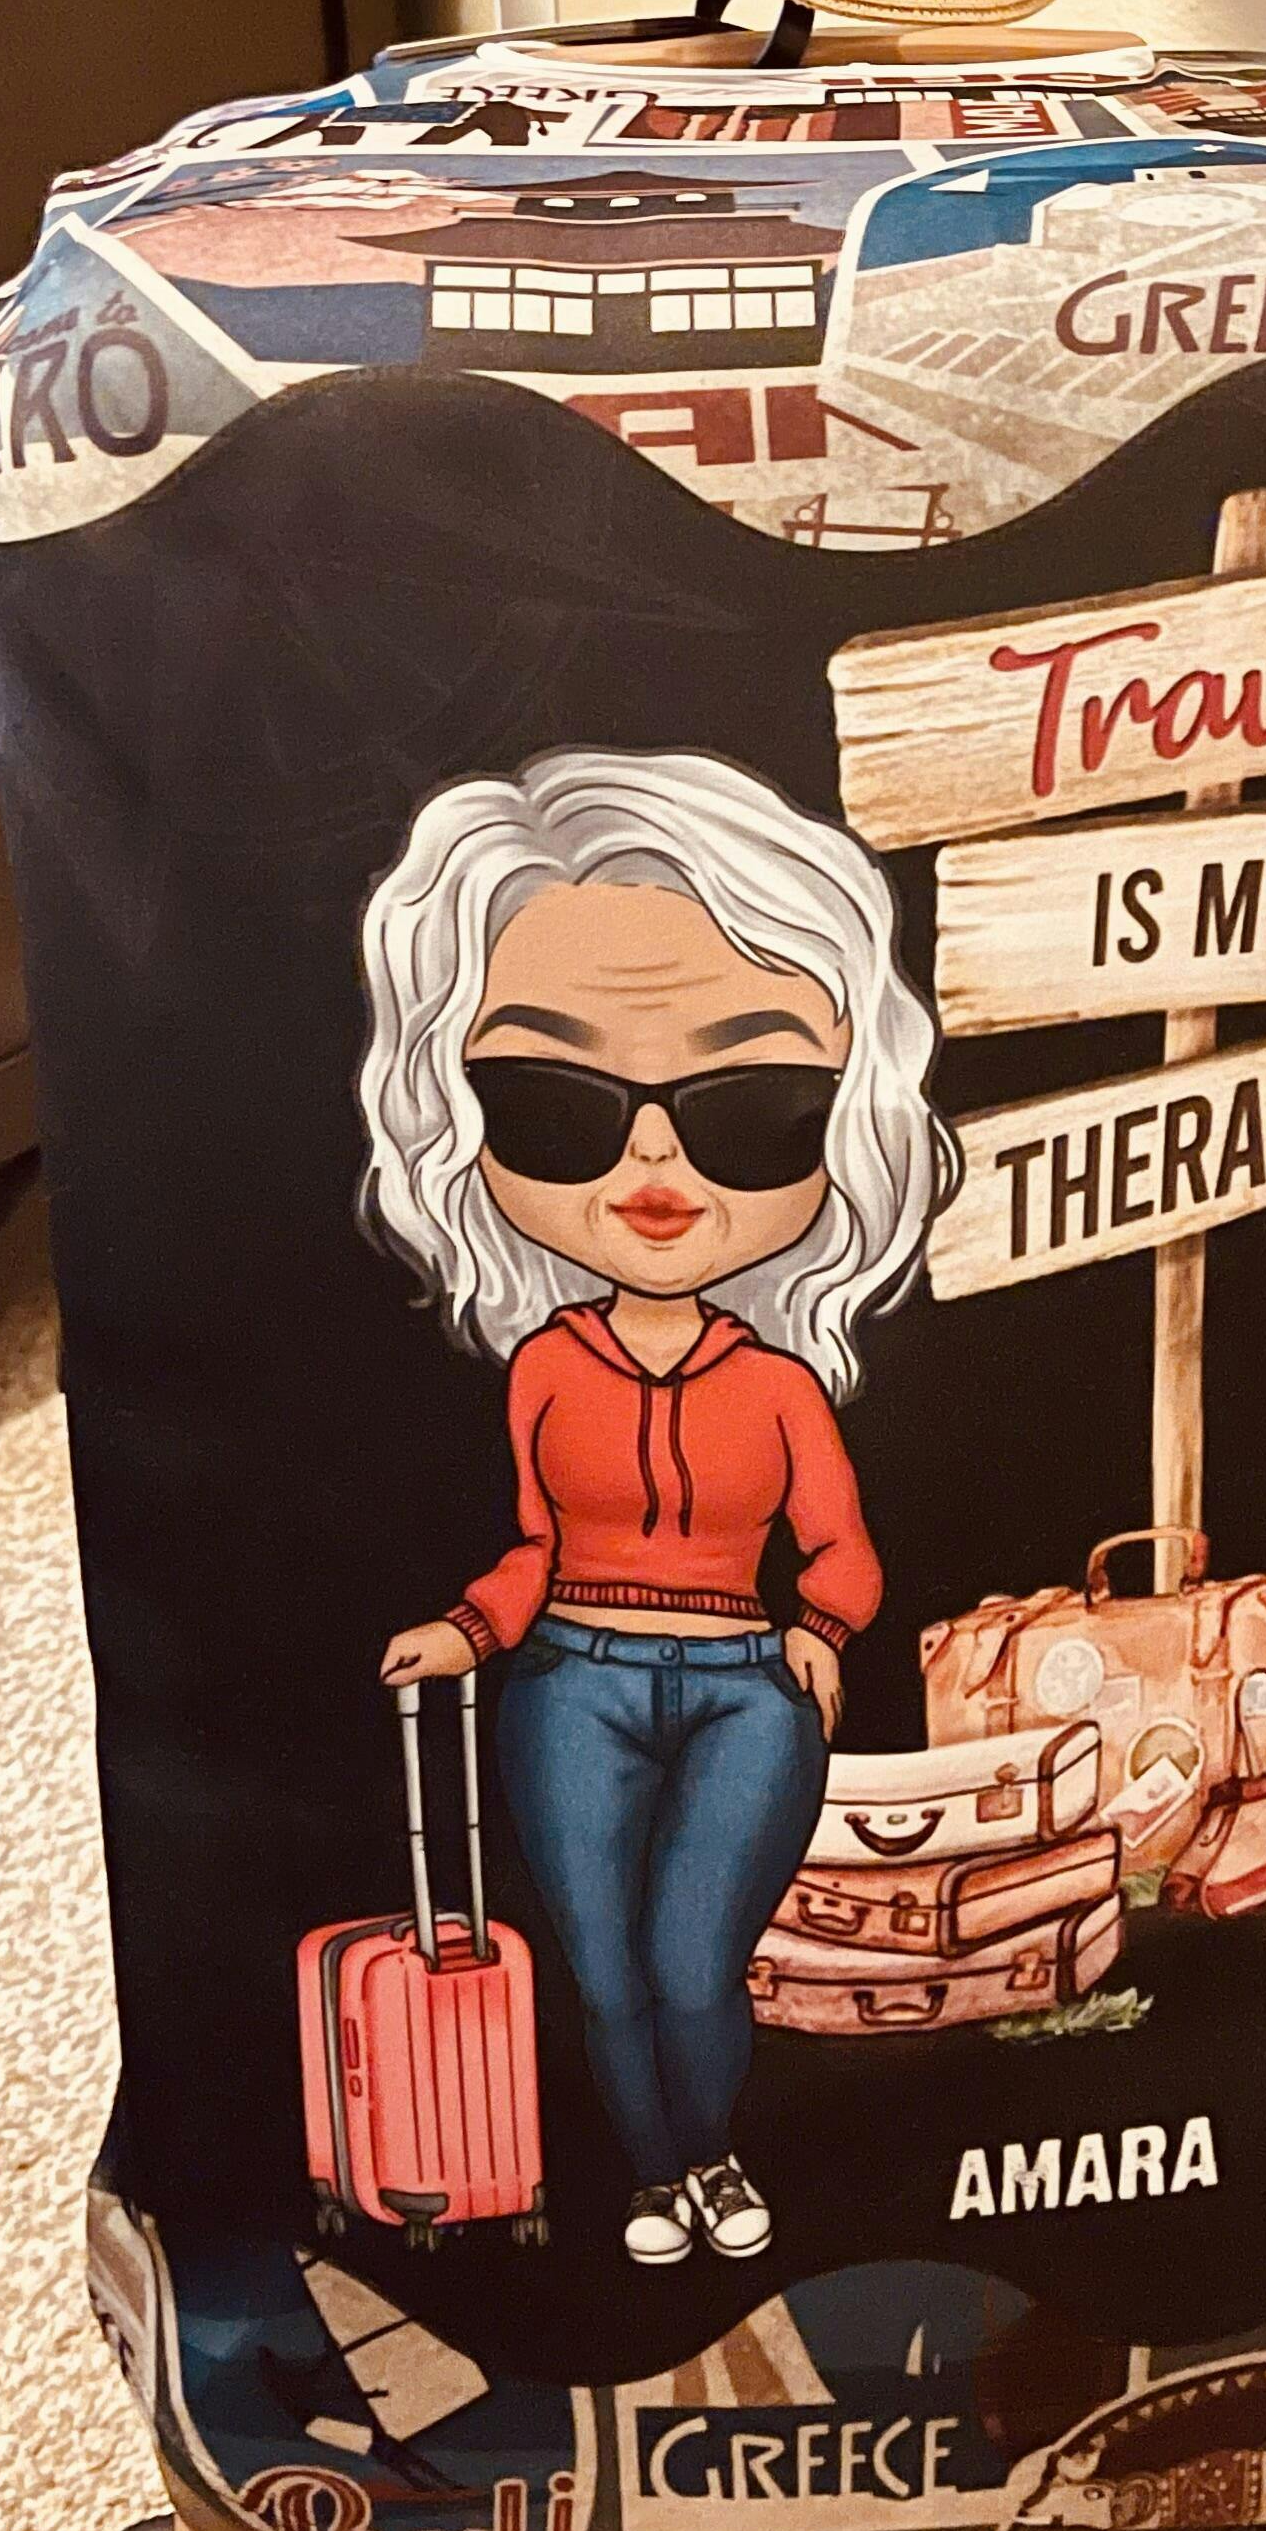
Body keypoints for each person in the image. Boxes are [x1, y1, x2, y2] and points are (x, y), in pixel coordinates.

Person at [359, 745, 952, 2270]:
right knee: (605, 1971)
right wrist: (469, 1628)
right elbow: (535, 1542)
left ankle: (712, 2157)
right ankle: (659, 2178)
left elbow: (842, 1545)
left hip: (749, 1690)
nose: (652, 1157)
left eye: (753, 1105)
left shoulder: (782, 1385)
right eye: (552, 1105)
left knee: (695, 1960)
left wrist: (823, 1631)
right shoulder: (544, 1368)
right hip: (569, 1680)